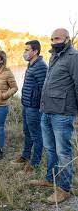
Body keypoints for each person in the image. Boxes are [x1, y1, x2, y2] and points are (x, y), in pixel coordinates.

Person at [30, 28, 78, 204]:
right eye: (51, 38)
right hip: (47, 112)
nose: (53, 41)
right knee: (50, 149)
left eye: (57, 38)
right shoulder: (54, 56)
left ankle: (64, 189)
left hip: (63, 114)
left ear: (67, 39)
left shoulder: (74, 57)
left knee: (63, 151)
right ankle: (50, 178)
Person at [11, 40, 47, 173]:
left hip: (34, 107)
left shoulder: (41, 66)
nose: (24, 53)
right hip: (26, 105)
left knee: (36, 135)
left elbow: (44, 89)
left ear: (35, 51)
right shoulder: (31, 65)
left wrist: (38, 105)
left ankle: (34, 163)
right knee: (27, 132)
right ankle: (25, 156)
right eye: (25, 50)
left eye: (27, 50)